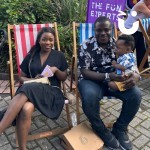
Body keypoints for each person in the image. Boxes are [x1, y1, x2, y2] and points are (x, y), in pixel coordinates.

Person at [78, 16, 141, 150]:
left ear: (112, 30)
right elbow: (84, 72)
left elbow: (130, 62)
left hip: (114, 81)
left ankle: (119, 128)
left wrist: (136, 74)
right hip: (92, 80)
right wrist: (108, 75)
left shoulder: (118, 44)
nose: (102, 33)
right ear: (94, 31)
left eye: (106, 30)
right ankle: (100, 129)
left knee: (135, 95)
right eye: (98, 30)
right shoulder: (86, 45)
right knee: (89, 97)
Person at [0, 27, 68, 150]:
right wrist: (32, 81)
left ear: (54, 41)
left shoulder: (59, 55)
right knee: (26, 108)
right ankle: (23, 148)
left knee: (27, 89)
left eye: (51, 40)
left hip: (51, 92)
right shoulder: (32, 56)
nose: (48, 42)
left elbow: (63, 78)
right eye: (44, 39)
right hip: (32, 91)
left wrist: (56, 70)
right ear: (39, 41)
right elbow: (21, 78)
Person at [124, 0, 150, 69]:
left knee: (142, 49)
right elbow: (149, 14)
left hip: (138, 30)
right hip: (130, 29)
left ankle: (143, 67)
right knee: (129, 49)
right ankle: (126, 67)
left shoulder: (147, 5)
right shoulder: (141, 4)